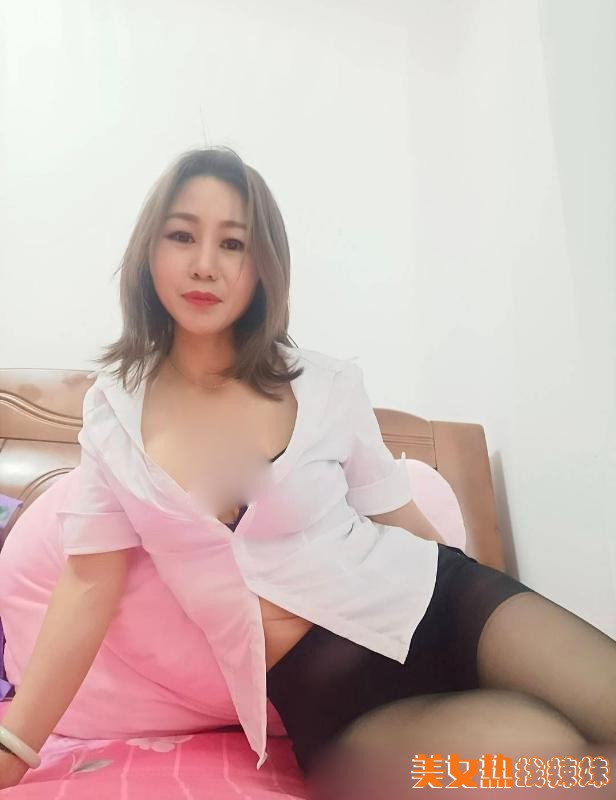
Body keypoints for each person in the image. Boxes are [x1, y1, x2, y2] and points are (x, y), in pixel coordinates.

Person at [0, 147, 614, 795]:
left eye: (233, 243)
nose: (205, 263)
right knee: (561, 768)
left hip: (444, 603)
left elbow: (400, 518)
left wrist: (485, 640)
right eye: (182, 236)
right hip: (336, 701)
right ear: (149, 251)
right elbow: (87, 585)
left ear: (262, 267)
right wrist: (15, 746)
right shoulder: (113, 415)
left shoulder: (325, 385)